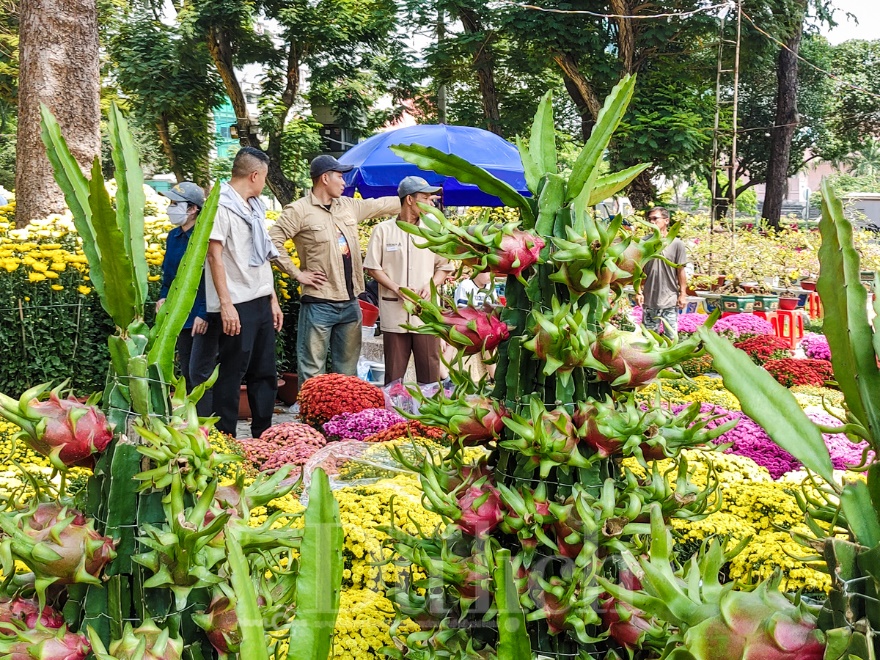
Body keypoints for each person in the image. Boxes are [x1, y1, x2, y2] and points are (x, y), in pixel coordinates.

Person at [268, 155, 400, 382]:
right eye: (340, 176)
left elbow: (379, 205)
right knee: (313, 371)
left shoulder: (347, 206)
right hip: (319, 303)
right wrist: (297, 273)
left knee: (347, 373)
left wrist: (412, 198)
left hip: (351, 302)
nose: (344, 182)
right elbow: (271, 241)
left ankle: (343, 417)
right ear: (324, 178)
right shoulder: (299, 210)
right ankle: (311, 416)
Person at [204, 147, 283, 438]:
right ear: (255, 175)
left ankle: (264, 435)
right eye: (264, 176)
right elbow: (214, 256)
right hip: (237, 302)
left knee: (265, 372)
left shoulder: (255, 206)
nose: (264, 182)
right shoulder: (220, 205)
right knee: (231, 373)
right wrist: (226, 305)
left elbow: (263, 257)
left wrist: (272, 298)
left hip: (260, 298)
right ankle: (226, 438)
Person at [364, 176, 454, 384]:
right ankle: (394, 414)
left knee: (430, 373)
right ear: (410, 200)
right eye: (425, 197)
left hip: (426, 314)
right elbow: (372, 267)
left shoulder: (434, 231)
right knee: (393, 376)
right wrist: (396, 288)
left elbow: (445, 267)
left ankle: (428, 415)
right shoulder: (383, 230)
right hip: (394, 312)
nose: (430, 203)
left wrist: (431, 284)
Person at [156, 182, 216, 399]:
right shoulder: (174, 237)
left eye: (175, 203)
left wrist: (204, 313)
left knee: (199, 372)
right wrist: (163, 297)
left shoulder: (204, 238)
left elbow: (209, 279)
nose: (170, 208)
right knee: (186, 373)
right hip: (179, 315)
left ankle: (206, 423)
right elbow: (168, 275)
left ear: (193, 209)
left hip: (201, 315)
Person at [636, 206, 688, 338]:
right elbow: (638, 269)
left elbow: (680, 270)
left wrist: (683, 294)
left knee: (671, 338)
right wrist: (638, 291)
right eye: (649, 219)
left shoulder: (677, 244)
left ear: (666, 221)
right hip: (649, 301)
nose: (652, 222)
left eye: (655, 218)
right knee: (649, 339)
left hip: (670, 300)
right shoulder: (643, 243)